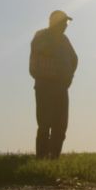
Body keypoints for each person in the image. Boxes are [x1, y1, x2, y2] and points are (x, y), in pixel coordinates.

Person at [29, 9, 78, 159]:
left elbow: (74, 58)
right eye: (64, 22)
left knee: (61, 124)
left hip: (61, 87)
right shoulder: (41, 36)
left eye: (67, 22)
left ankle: (53, 157)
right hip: (45, 86)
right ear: (56, 22)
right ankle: (42, 158)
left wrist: (68, 77)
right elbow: (40, 52)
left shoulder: (64, 40)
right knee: (45, 123)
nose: (66, 25)